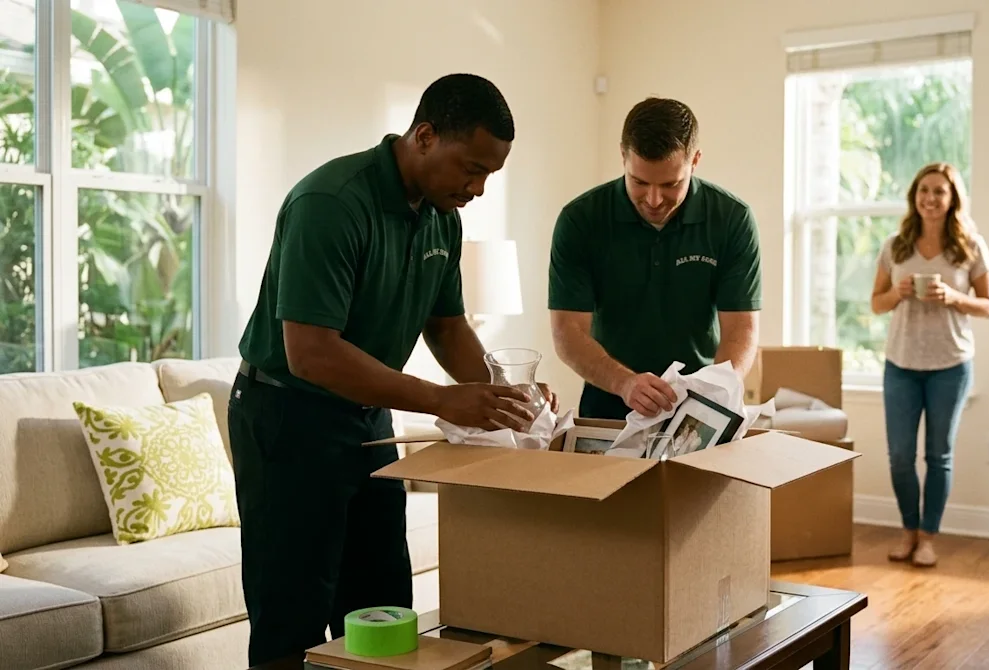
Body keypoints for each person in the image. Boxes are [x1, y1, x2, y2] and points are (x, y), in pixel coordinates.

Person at [228, 73, 557, 668]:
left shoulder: (442, 216)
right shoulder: (329, 204)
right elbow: (312, 352)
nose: (478, 188)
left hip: (368, 422)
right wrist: (441, 399)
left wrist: (506, 393)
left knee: (382, 609)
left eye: (490, 175)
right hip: (287, 417)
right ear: (425, 136)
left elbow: (447, 327)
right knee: (293, 617)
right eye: (471, 168)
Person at [548, 97, 762, 420]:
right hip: (606, 407)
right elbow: (567, 331)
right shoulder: (580, 220)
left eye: (670, 184)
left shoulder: (732, 219)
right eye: (639, 182)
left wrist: (716, 393)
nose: (653, 199)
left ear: (695, 161)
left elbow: (741, 329)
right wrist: (624, 383)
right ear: (623, 156)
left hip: (697, 406)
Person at [869, 162, 989, 568]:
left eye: (940, 191)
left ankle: (928, 538)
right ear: (915, 196)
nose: (930, 198)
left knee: (938, 456)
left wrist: (953, 298)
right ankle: (908, 531)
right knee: (900, 456)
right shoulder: (895, 246)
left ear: (952, 198)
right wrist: (898, 293)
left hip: (950, 366)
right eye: (924, 190)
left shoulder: (971, 246)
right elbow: (876, 303)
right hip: (900, 364)